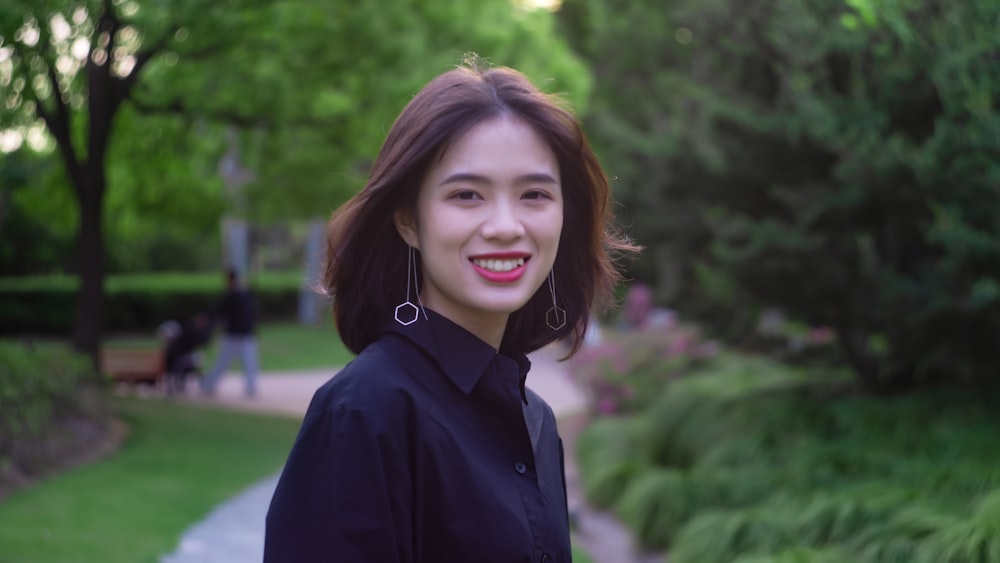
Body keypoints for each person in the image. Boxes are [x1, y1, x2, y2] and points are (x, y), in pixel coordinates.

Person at [264, 57, 637, 562]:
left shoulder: (537, 423)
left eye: (534, 194)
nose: (505, 225)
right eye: (466, 194)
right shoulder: (364, 412)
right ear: (408, 221)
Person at [200, 268, 259, 398]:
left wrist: (207, 318)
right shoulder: (244, 293)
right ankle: (250, 389)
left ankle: (209, 385)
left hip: (236, 335)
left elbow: (217, 311)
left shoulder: (233, 295)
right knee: (248, 363)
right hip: (243, 334)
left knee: (226, 362)